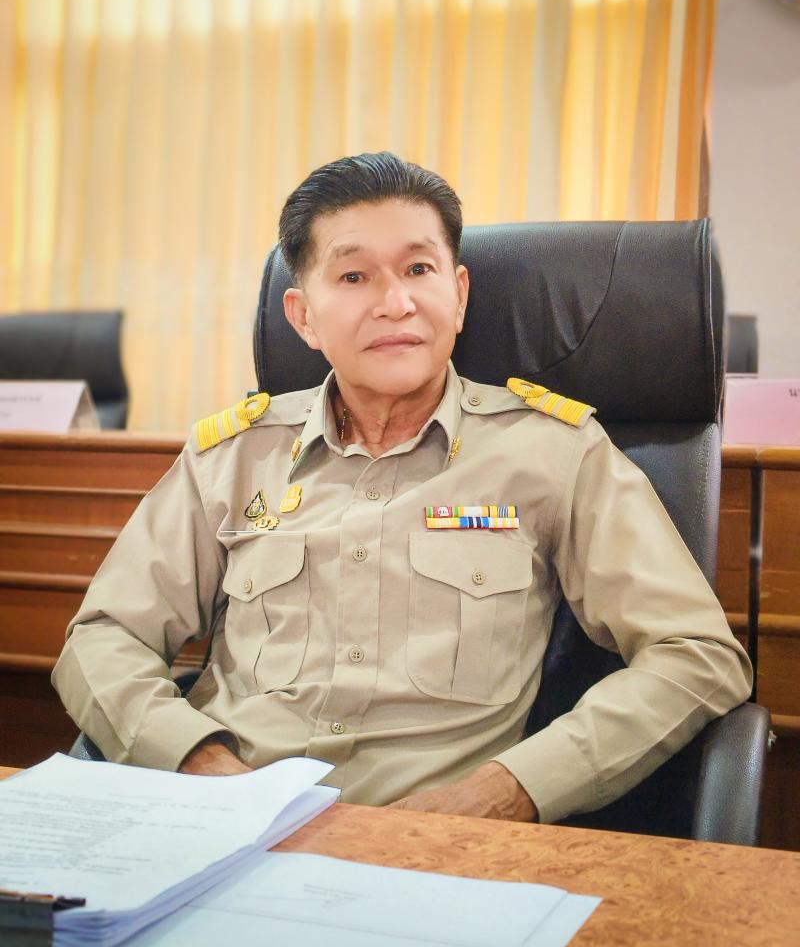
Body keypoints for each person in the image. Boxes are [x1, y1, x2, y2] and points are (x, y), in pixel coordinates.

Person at [52, 152, 752, 825]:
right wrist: (197, 763)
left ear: (459, 294)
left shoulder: (553, 451)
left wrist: (509, 791)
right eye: (353, 276)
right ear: (303, 316)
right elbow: (104, 637)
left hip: (437, 847)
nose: (395, 303)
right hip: (228, 825)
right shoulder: (232, 458)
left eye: (419, 268)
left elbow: (696, 654)